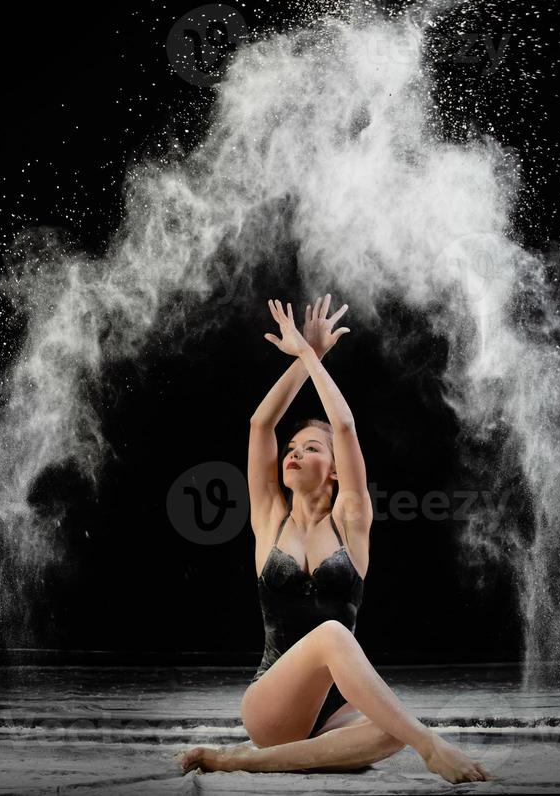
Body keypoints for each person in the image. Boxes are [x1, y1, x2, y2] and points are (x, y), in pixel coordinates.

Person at [177, 295, 493, 784]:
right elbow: (261, 424)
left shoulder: (352, 521)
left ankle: (241, 760)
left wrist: (310, 354)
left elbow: (343, 425)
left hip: (333, 712)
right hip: (272, 705)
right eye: (292, 448)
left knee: (392, 726)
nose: (295, 453)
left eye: (311, 448)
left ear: (334, 472)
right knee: (334, 639)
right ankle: (429, 747)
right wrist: (309, 356)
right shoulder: (268, 517)